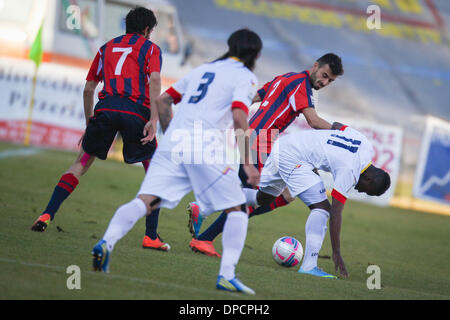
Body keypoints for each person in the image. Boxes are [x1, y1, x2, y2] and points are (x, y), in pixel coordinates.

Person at [91, 29, 263, 294]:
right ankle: (227, 275)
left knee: (145, 201)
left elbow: (163, 101)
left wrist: (171, 133)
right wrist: (248, 163)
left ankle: (106, 242)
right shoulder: (245, 77)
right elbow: (240, 116)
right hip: (205, 147)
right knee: (237, 209)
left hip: (175, 143)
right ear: (254, 54)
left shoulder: (203, 70)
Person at [31, 7, 169, 251]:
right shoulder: (150, 49)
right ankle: (151, 236)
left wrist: (90, 123)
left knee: (80, 164)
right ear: (147, 30)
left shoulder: (106, 48)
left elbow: (88, 89)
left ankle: (46, 214)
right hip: (135, 113)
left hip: (105, 110)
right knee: (155, 173)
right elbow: (155, 80)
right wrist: (154, 119)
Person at [187, 53, 345, 257]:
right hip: (260, 140)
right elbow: (313, 121)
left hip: (254, 136)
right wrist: (341, 130)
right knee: (255, 198)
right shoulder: (301, 85)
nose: (324, 82)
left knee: (275, 196)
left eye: (330, 81)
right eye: (324, 75)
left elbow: (254, 97)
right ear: (315, 66)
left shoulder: (285, 78)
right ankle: (204, 230)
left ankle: (205, 214)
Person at [244, 125, 391, 278]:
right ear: (369, 179)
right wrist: (336, 252)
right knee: (322, 209)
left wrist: (319, 147)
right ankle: (309, 265)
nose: (359, 190)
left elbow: (336, 126)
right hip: (293, 156)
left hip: (285, 144)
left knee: (263, 198)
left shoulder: (365, 144)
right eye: (365, 190)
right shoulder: (350, 171)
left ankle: (226, 196)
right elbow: (335, 213)